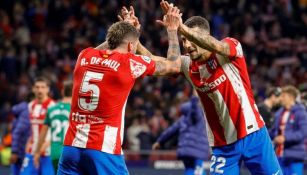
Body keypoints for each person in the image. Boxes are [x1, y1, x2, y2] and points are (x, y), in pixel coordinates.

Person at [123, 1, 282, 174]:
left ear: (205, 37)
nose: (188, 45)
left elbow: (217, 45)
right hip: (223, 146)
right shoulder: (188, 65)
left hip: (254, 135)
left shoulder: (229, 49)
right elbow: (160, 62)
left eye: (191, 39)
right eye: (184, 41)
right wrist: (134, 38)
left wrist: (181, 28)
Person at [57, 7, 182, 175]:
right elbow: (174, 67)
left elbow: (104, 47)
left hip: (71, 148)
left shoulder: (84, 56)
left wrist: (124, 27)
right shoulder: (129, 62)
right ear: (131, 45)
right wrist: (172, 30)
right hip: (103, 149)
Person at [152, 96, 209, 175]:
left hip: (184, 151)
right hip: (197, 150)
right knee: (198, 168)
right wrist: (194, 100)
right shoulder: (197, 116)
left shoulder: (182, 119)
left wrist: (159, 141)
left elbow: (170, 131)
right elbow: (195, 111)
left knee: (189, 169)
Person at [33, 81, 73, 173]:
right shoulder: (74, 110)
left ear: (62, 92)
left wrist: (37, 152)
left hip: (54, 152)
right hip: (69, 151)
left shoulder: (51, 109)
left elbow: (43, 133)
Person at [20, 77, 55, 175]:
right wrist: (28, 142)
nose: (40, 90)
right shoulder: (30, 105)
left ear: (48, 89)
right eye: (37, 87)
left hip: (47, 153)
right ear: (33, 89)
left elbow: (54, 132)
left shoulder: (52, 106)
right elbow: (32, 128)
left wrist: (40, 150)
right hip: (31, 151)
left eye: (43, 87)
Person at [270, 86, 307, 175]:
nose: (281, 98)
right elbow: (273, 131)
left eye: (283, 96)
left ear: (290, 97)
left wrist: (285, 138)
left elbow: (303, 132)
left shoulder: (300, 112)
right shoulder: (279, 113)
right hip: (279, 155)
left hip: (295, 155)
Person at [10, 101, 31, 175]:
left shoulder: (21, 111)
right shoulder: (26, 112)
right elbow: (17, 132)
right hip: (22, 152)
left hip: (22, 150)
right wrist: (14, 152)